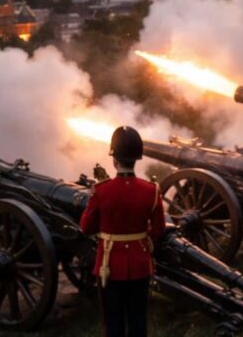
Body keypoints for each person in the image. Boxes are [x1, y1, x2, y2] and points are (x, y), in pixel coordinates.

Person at [80, 126, 166, 337]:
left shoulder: (101, 190)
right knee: (138, 324)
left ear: (114, 159)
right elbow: (158, 228)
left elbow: (86, 227)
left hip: (109, 267)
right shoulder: (151, 190)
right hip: (140, 264)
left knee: (113, 325)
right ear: (137, 159)